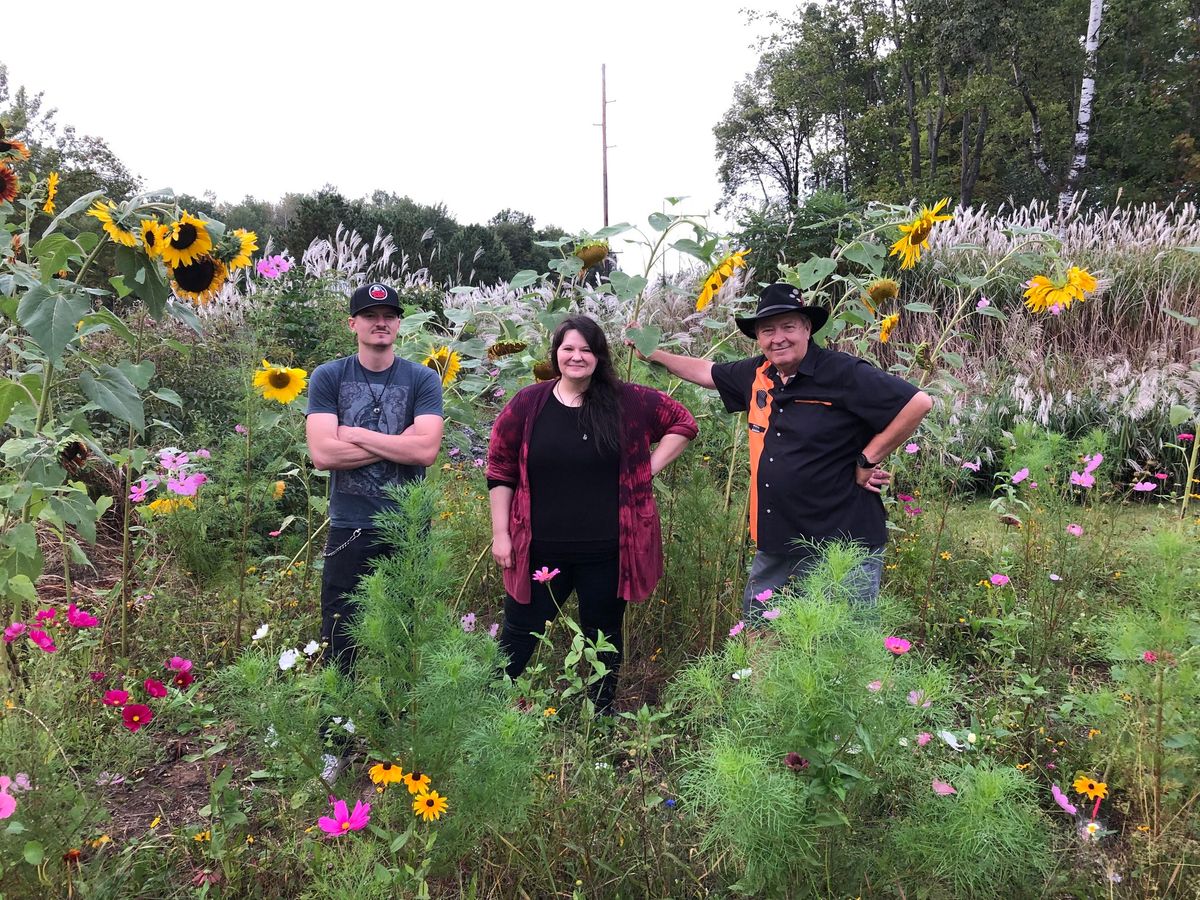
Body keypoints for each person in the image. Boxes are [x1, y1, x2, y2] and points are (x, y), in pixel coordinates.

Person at [636, 283, 932, 619]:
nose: (778, 338)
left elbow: (917, 402)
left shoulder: (842, 372)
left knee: (844, 645)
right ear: (759, 338)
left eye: (788, 327)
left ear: (807, 328)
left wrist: (869, 458)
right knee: (761, 631)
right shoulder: (758, 374)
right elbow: (708, 372)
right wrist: (653, 352)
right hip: (777, 541)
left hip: (841, 544)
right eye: (767, 330)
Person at [487, 315, 697, 713]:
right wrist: (502, 534)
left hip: (608, 551)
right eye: (568, 348)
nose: (577, 357)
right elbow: (500, 469)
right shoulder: (530, 404)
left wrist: (645, 470)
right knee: (519, 632)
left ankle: (598, 718)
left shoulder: (628, 400)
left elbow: (683, 422)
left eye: (586, 349)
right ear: (556, 354)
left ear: (600, 356)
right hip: (539, 550)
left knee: (603, 636)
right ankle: (492, 709)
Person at [306, 282, 444, 776]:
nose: (379, 322)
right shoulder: (328, 377)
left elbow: (426, 451)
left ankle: (399, 740)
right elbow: (322, 454)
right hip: (349, 523)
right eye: (369, 315)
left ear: (398, 324)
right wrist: (396, 441)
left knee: (406, 634)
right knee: (341, 633)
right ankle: (334, 746)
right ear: (354, 324)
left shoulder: (423, 380)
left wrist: (356, 434)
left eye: (388, 315)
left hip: (408, 525)